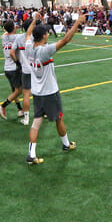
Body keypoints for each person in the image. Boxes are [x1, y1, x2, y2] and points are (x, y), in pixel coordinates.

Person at [24, 13, 86, 165]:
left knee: (36, 123)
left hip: (37, 92)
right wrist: (78, 21)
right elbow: (65, 40)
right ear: (44, 35)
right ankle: (66, 144)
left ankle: (31, 154)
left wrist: (33, 21)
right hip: (50, 92)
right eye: (46, 32)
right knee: (59, 118)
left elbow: (27, 34)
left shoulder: (28, 48)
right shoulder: (44, 51)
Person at [0, 20, 23, 120]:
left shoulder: (4, 37)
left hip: (7, 68)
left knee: (14, 90)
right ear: (14, 28)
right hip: (14, 68)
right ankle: (3, 106)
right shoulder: (17, 37)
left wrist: (11, 28)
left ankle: (20, 109)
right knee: (19, 90)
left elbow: (6, 32)